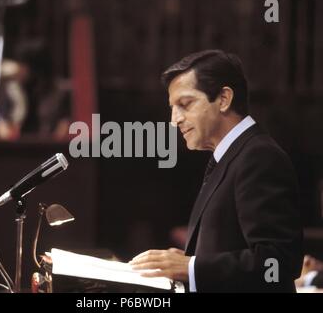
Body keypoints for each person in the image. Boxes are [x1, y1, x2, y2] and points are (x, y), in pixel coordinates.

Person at [129, 50, 303, 292]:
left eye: (185, 104)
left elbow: (279, 261)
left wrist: (191, 266)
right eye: (172, 107)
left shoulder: (258, 156)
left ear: (223, 98)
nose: (174, 119)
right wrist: (194, 257)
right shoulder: (234, 155)